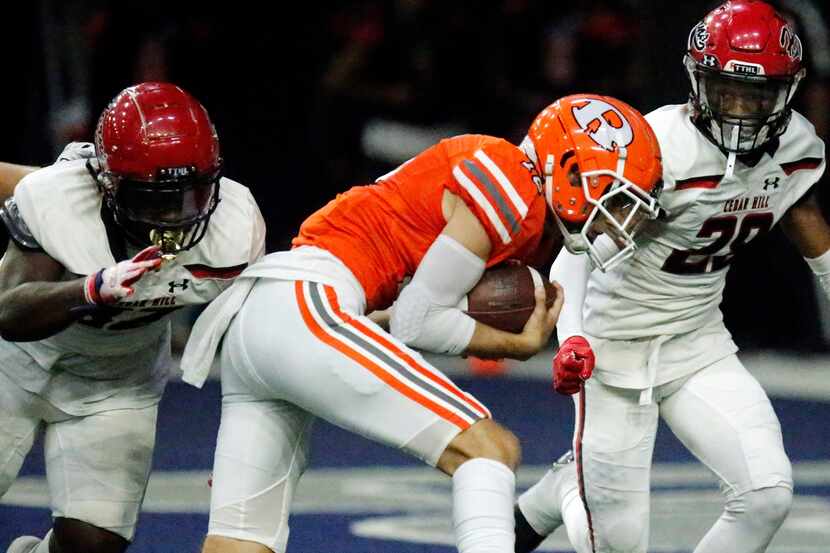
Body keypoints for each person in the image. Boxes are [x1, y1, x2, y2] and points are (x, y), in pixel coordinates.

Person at [177, 93, 663, 553]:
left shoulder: (507, 180)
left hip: (268, 319)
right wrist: (513, 345)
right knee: (488, 449)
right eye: (618, 198)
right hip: (305, 305)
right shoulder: (512, 183)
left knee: (239, 540)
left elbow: (392, 315)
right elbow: (417, 323)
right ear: (573, 172)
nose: (618, 217)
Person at [513, 2, 829, 553]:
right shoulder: (657, 147)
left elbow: (804, 216)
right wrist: (575, 338)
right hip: (611, 349)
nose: (739, 109)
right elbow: (580, 248)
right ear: (696, 80)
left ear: (787, 91)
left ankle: (573, 479)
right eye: (726, 90)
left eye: (757, 95)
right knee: (618, 545)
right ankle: (567, 487)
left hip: (697, 341)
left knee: (766, 495)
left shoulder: (796, 144)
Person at [0, 82, 266, 553]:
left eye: (192, 192)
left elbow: (261, 326)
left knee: (93, 545)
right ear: (106, 183)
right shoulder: (60, 199)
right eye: (154, 198)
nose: (174, 216)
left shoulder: (235, 225)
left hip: (119, 378)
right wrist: (88, 289)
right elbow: (9, 312)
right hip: (13, 366)